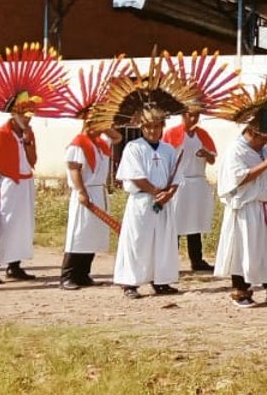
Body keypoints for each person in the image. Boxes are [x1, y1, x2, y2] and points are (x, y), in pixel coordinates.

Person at [216, 114, 267, 307]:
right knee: (244, 250)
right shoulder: (236, 150)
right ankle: (241, 290)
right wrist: (266, 164)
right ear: (252, 133)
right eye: (263, 138)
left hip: (262, 205)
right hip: (245, 207)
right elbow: (238, 178)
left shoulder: (263, 149)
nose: (265, 143)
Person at [113, 110, 183, 299]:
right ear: (142, 128)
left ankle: (160, 280)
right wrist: (155, 192)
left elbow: (176, 175)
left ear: (162, 127)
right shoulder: (133, 148)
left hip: (164, 201)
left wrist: (170, 193)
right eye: (148, 127)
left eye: (156, 126)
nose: (152, 131)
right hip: (142, 201)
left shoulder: (168, 149)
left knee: (162, 242)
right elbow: (136, 176)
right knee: (137, 241)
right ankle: (130, 282)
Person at [59, 123, 121, 290]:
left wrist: (106, 126)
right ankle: (68, 275)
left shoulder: (99, 142)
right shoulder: (78, 143)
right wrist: (81, 190)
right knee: (79, 233)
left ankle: (83, 273)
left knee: (92, 235)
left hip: (98, 191)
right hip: (85, 190)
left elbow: (117, 137)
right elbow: (74, 169)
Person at [0, 107, 38, 283]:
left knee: (21, 225)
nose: (27, 119)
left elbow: (32, 160)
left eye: (30, 116)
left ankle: (14, 265)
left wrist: (28, 142)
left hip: (25, 182)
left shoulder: (28, 133)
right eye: (24, 116)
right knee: (2, 224)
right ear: (14, 115)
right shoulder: (1, 134)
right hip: (8, 182)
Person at [163, 105, 219, 273]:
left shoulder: (203, 135)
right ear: (183, 116)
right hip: (179, 182)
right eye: (190, 115)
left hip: (198, 182)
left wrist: (206, 154)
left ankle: (197, 259)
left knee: (195, 222)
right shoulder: (172, 133)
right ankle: (169, 260)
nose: (193, 119)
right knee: (176, 222)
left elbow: (212, 160)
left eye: (196, 115)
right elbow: (165, 157)